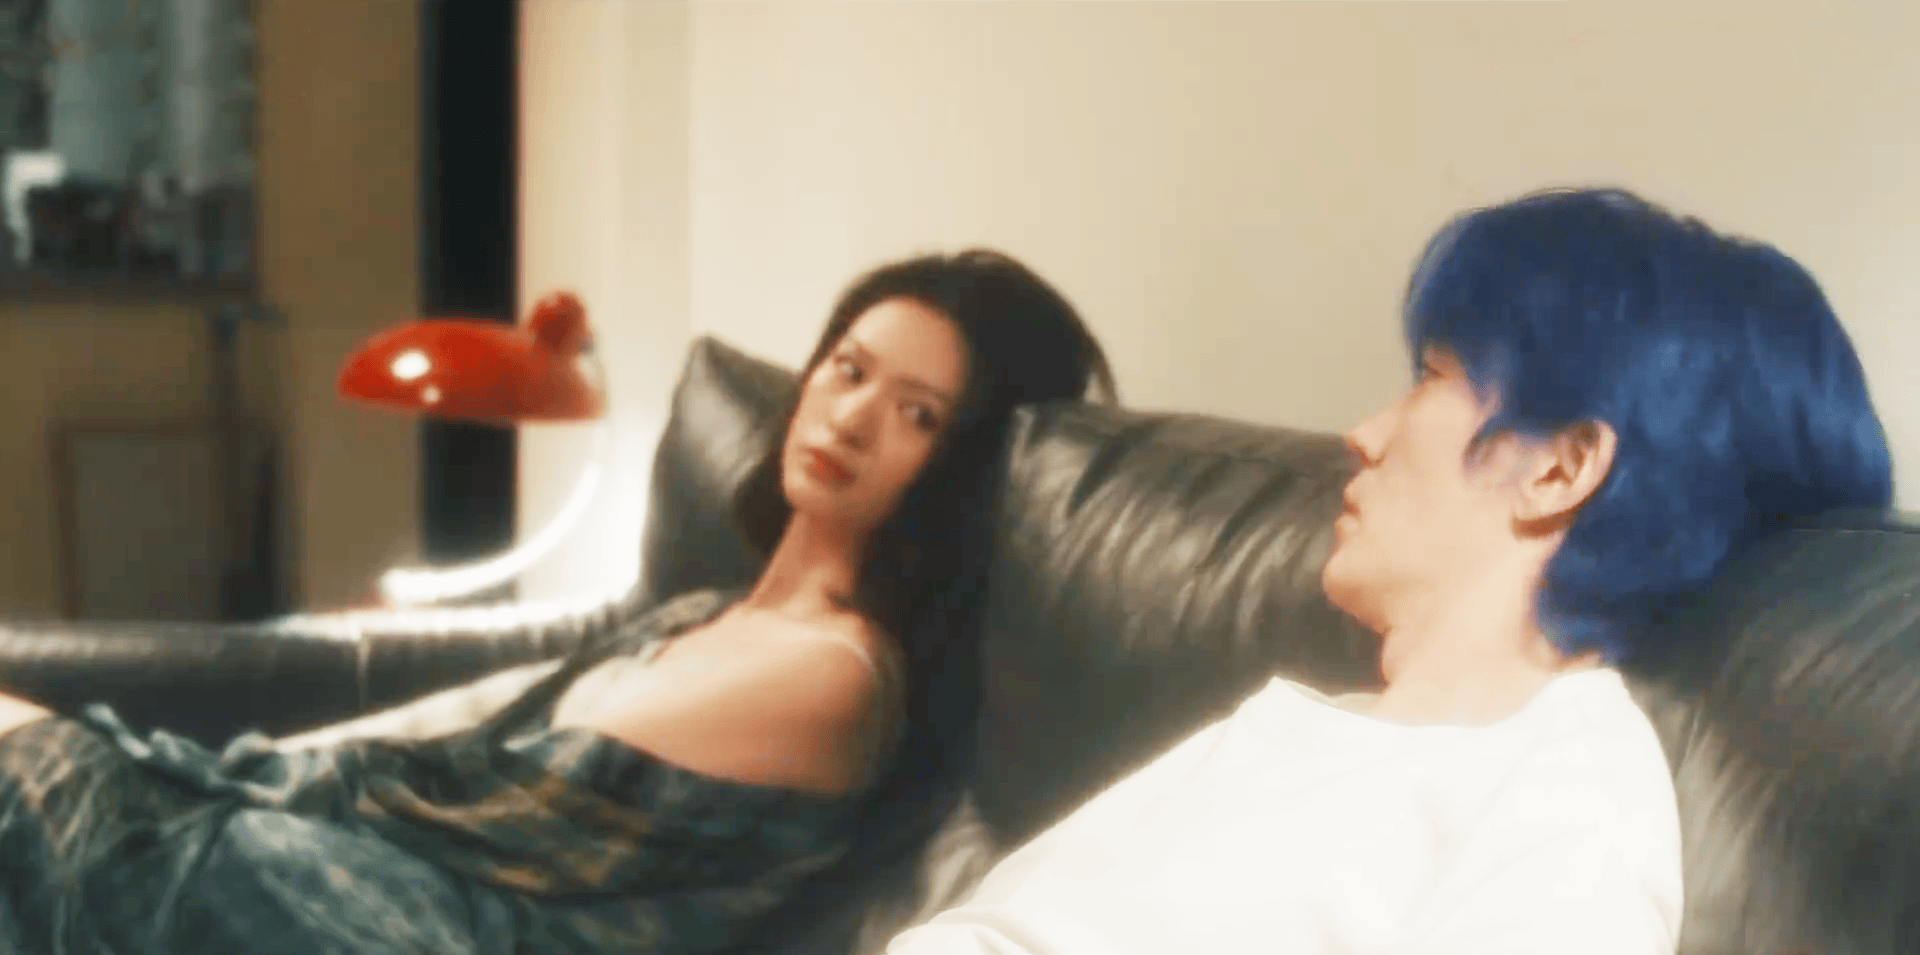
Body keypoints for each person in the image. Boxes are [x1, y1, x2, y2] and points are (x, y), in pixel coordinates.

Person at [0, 249, 1115, 954]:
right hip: (372, 888)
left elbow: (474, 800)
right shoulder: (702, 612)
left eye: (919, 413)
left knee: (53, 771)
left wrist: (182, 772)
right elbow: (452, 762)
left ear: (961, 467)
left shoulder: (833, 675)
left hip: (429, 931)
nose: (853, 417)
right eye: (849, 367)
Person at [887, 187, 1894, 954]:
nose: (1364, 434)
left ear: (1559, 466)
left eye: (1432, 379)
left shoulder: (1564, 804)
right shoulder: (1299, 726)